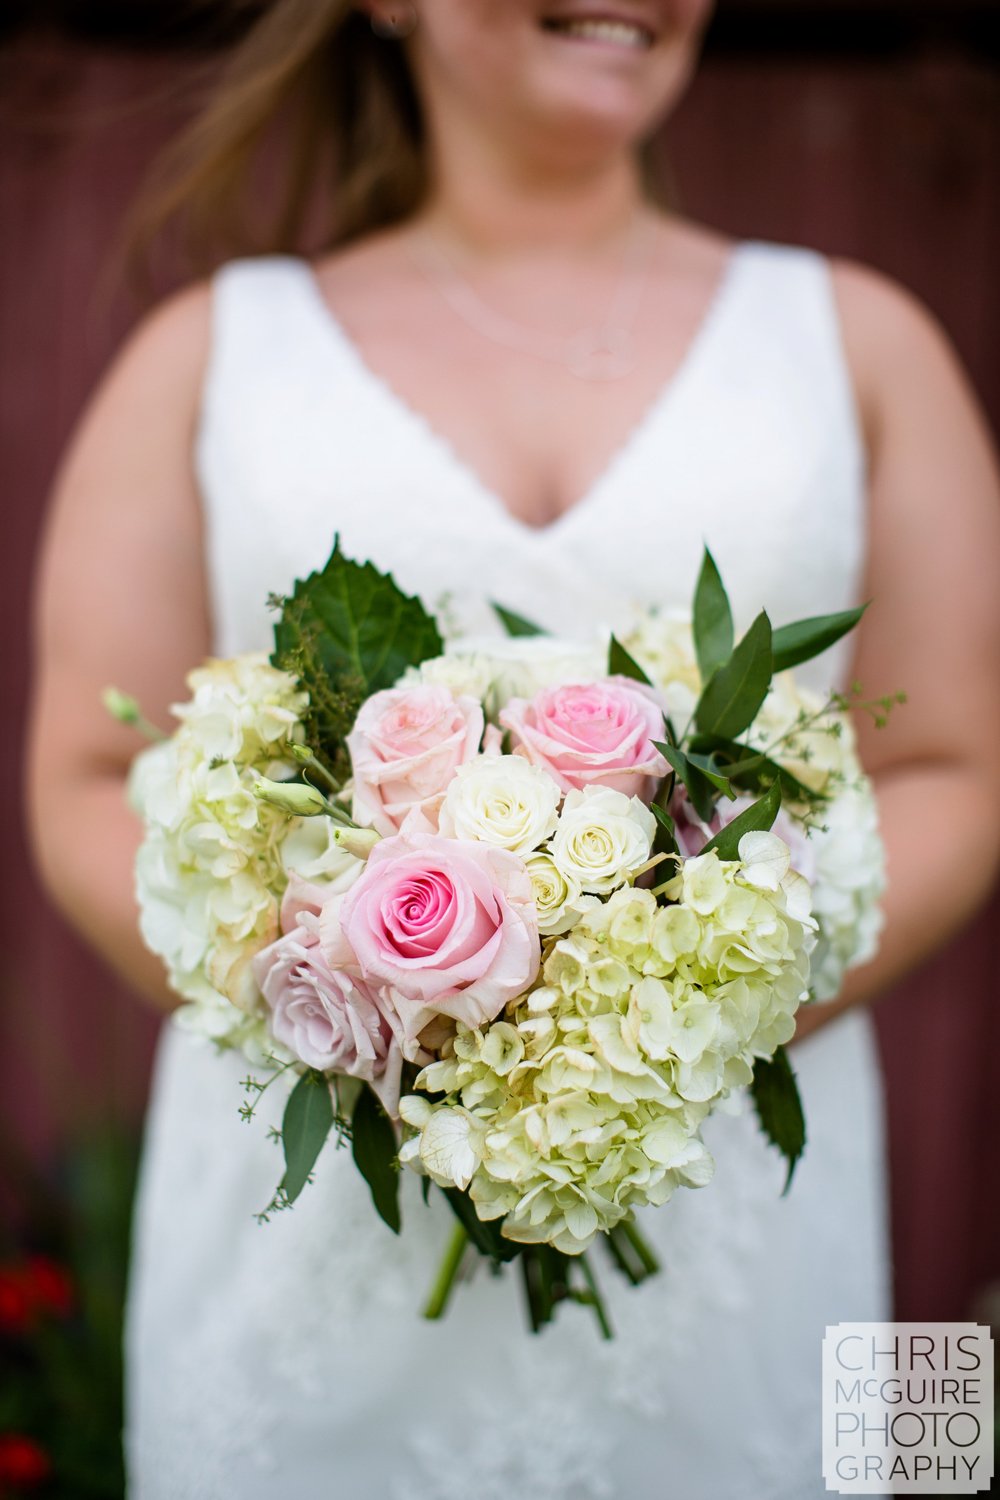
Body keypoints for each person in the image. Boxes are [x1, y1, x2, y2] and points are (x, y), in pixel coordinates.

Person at [25, 1, 1000, 1495]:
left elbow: (955, 766)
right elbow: (90, 774)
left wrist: (670, 1015)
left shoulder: (863, 342)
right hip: (314, 1249)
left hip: (730, 1198)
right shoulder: (209, 354)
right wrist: (368, 1014)